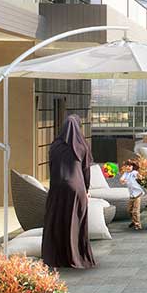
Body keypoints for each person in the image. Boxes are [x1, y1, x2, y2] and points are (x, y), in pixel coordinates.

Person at [43, 113, 96, 270]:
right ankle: (76, 257)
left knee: (57, 223)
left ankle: (56, 257)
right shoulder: (81, 146)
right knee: (75, 224)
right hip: (76, 188)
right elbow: (86, 171)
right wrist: (86, 189)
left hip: (57, 189)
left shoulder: (54, 146)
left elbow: (51, 168)